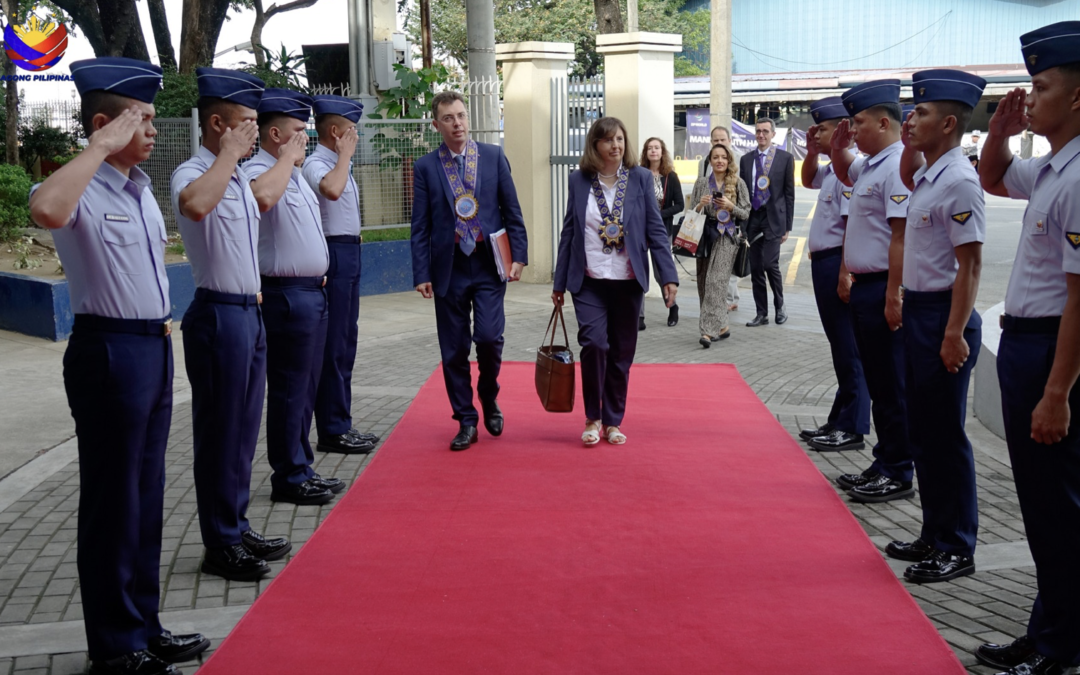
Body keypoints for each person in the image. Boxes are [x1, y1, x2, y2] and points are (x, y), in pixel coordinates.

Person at [29, 56, 209, 675]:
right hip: (108, 351)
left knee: (145, 497)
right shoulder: (82, 187)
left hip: (152, 348)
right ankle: (113, 646)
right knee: (113, 502)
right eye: (144, 120)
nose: (155, 131)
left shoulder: (137, 192)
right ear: (105, 124)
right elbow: (47, 210)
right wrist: (98, 146)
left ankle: (143, 624)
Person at [973, 21, 1080, 675]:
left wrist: (1058, 391)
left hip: (1049, 355)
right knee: (1043, 509)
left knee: (1058, 509)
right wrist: (998, 134)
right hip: (1025, 347)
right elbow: (993, 177)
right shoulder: (1053, 166)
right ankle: (1047, 627)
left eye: (1041, 85)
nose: (1029, 95)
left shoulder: (1077, 177)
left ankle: (1061, 646)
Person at [172, 68, 289, 582]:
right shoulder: (195, 171)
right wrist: (226, 156)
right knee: (219, 434)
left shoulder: (238, 175)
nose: (252, 132)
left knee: (242, 432)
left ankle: (237, 526)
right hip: (217, 313)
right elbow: (195, 205)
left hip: (248, 311)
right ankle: (219, 542)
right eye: (244, 124)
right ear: (217, 124)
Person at [888, 69, 988, 584]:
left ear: (948, 123)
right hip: (922, 313)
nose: (911, 118)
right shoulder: (930, 174)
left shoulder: (961, 182)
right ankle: (934, 530)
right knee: (923, 431)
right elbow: (907, 171)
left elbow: (969, 266)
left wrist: (953, 333)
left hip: (945, 316)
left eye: (922, 113)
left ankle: (957, 544)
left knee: (947, 434)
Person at [410, 91, 529, 451]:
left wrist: (518, 256)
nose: (457, 123)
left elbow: (512, 209)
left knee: (490, 339)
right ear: (436, 125)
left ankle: (488, 395)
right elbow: (420, 226)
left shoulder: (492, 157)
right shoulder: (426, 167)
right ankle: (465, 419)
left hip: (488, 264)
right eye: (448, 118)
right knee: (454, 349)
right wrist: (421, 273)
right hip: (449, 268)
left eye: (461, 116)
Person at [552, 117, 679, 446]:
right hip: (589, 279)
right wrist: (558, 282)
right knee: (594, 344)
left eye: (620, 139)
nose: (616, 146)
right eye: (608, 140)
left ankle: (613, 421)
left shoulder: (638, 179)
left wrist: (668, 276)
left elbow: (655, 230)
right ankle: (592, 418)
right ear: (595, 145)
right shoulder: (578, 180)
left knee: (622, 352)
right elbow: (570, 232)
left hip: (627, 280)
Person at [246, 89, 343, 507]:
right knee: (288, 388)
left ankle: (301, 465)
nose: (306, 138)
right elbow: (261, 198)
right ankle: (287, 473)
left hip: (312, 292)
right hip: (285, 293)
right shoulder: (261, 167)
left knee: (305, 387)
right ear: (274, 134)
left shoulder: (294, 170)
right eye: (299, 131)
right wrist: (287, 159)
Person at [828, 79, 916, 504]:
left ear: (884, 122)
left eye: (859, 122)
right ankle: (885, 460)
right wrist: (836, 144)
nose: (854, 129)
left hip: (883, 285)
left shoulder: (897, 165)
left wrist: (894, 294)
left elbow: (899, 236)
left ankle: (898, 469)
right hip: (866, 286)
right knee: (880, 383)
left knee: (891, 385)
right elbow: (844, 168)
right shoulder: (873, 163)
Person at [302, 95, 380, 455]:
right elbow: (330, 191)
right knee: (334, 344)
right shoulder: (319, 163)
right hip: (334, 253)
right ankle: (332, 428)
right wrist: (344, 155)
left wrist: (344, 157)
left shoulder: (336, 162)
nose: (356, 137)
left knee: (346, 341)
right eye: (351, 130)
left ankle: (341, 422)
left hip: (350, 252)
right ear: (335, 132)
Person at [799, 97, 871, 453]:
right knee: (839, 346)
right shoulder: (831, 170)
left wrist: (845, 273)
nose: (816, 133)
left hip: (836, 263)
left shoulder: (850, 172)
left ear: (843, 130)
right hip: (823, 262)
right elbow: (807, 178)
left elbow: (849, 228)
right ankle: (840, 417)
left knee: (848, 347)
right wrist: (812, 150)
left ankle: (853, 425)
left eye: (822, 129)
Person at [690, 143, 749, 347]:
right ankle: (722, 325)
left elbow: (746, 212)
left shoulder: (738, 183)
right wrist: (701, 205)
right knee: (703, 283)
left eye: (723, 157)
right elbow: (692, 211)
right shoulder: (701, 183)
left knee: (715, 282)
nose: (720, 161)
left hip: (728, 237)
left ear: (729, 160)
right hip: (706, 235)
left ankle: (708, 331)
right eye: (716, 157)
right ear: (710, 161)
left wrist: (731, 206)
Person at [740, 118, 795, 326]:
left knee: (770, 263)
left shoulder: (785, 158)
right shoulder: (746, 160)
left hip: (774, 218)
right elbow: (742, 193)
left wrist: (788, 226)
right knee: (755, 267)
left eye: (765, 131)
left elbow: (789, 194)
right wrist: (741, 224)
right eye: (758, 131)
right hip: (754, 216)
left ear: (773, 134)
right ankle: (761, 313)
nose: (761, 135)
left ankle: (780, 306)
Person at [639, 136, 684, 328]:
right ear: (646, 152)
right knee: (638, 272)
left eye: (657, 148)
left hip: (661, 230)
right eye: (650, 148)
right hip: (640, 231)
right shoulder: (639, 174)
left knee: (661, 273)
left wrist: (659, 214)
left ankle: (672, 306)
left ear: (662, 151)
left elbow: (680, 205)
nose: (653, 151)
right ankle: (639, 317)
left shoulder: (670, 176)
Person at [700, 126, 745, 312]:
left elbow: (744, 198)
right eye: (715, 141)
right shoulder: (704, 162)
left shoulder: (739, 161)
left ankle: (728, 299)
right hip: (709, 224)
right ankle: (718, 306)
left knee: (726, 268)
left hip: (731, 221)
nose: (719, 144)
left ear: (730, 141)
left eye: (722, 140)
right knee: (711, 272)